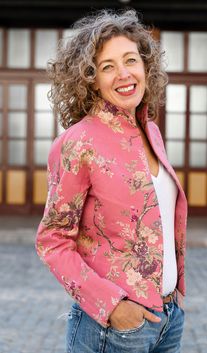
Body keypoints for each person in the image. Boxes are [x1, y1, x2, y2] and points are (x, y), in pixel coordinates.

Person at [35, 8, 188, 353]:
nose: (123, 73)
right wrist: (113, 306)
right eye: (107, 67)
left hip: (169, 320)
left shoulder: (151, 131)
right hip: (114, 328)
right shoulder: (79, 142)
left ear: (146, 67)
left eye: (130, 60)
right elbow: (53, 240)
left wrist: (173, 298)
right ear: (90, 79)